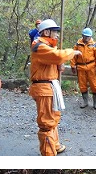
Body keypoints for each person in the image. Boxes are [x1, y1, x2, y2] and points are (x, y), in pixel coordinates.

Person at [29, 18, 80, 155]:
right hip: (43, 88)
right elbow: (57, 56)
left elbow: (56, 60)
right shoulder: (39, 46)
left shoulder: (48, 47)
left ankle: (54, 145)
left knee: (54, 116)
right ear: (46, 32)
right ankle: (48, 154)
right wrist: (71, 53)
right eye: (55, 32)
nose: (57, 35)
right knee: (47, 122)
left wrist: (59, 65)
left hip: (50, 86)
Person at [71, 27, 96, 109]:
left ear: (91, 36)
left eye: (88, 37)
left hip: (92, 67)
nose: (87, 38)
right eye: (85, 36)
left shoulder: (94, 44)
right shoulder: (78, 44)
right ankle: (85, 101)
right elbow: (73, 55)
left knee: (94, 85)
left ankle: (95, 103)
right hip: (81, 67)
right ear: (82, 36)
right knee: (82, 85)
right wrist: (72, 65)